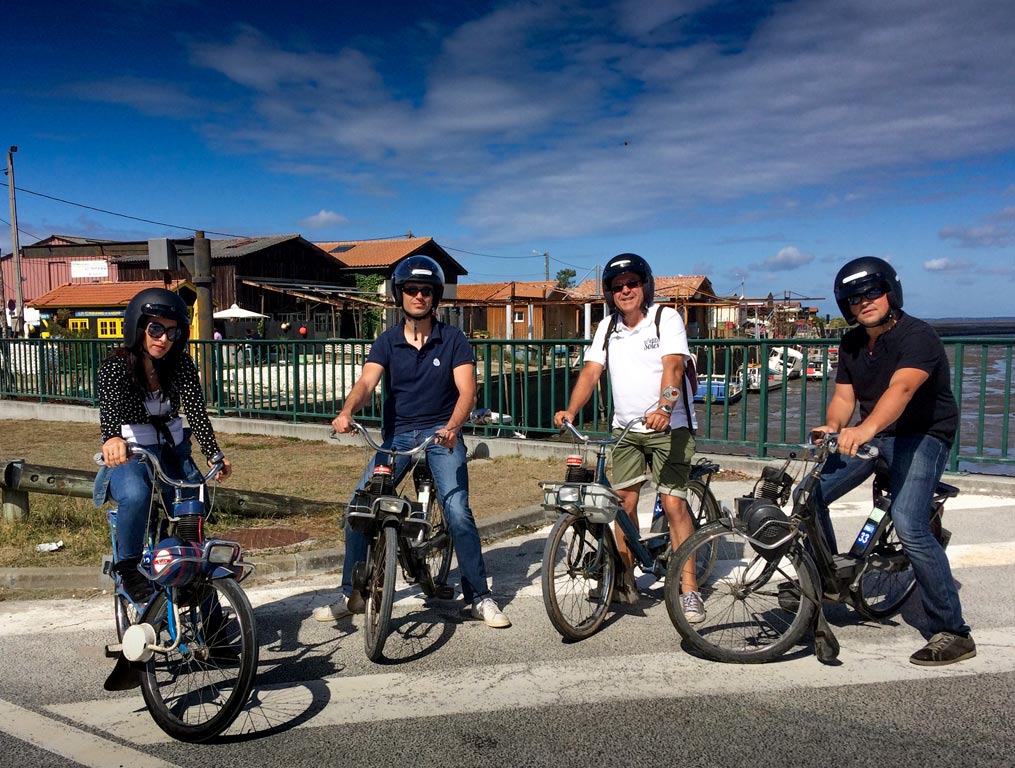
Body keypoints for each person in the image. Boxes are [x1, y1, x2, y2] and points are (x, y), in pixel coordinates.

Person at [313, 255, 510, 628]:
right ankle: (349, 594)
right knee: (359, 505)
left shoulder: (452, 339)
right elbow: (366, 383)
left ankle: (479, 597)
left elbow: (466, 391)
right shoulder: (386, 341)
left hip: (441, 432)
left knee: (457, 512)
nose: (419, 296)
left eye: (426, 290)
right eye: (411, 290)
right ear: (399, 295)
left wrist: (453, 427)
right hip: (398, 435)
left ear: (435, 297)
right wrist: (347, 411)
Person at [812, 256, 974, 666]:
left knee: (910, 524)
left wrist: (864, 431)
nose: (863, 302)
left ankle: (952, 631)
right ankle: (827, 578)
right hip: (877, 434)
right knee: (810, 492)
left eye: (871, 292)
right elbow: (844, 398)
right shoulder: (851, 344)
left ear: (890, 292)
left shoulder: (919, 336)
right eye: (853, 298)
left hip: (923, 435)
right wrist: (833, 426)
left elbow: (901, 390)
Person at [553, 253, 703, 621]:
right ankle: (624, 579)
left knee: (673, 505)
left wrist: (665, 409)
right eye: (618, 287)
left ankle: (690, 590)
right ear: (610, 293)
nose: (625, 291)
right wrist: (571, 410)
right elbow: (591, 372)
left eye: (632, 284)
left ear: (645, 285)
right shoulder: (607, 328)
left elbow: (673, 366)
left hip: (670, 426)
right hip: (625, 429)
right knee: (622, 505)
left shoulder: (664, 318)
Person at [94, 288, 232, 602]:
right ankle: (127, 567)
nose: (163, 338)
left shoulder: (181, 365)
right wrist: (112, 439)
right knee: (136, 493)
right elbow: (110, 413)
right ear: (138, 327)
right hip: (133, 450)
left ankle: (202, 604)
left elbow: (196, 412)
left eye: (172, 331)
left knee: (193, 504)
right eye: (156, 329)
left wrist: (213, 454)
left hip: (173, 446)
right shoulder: (114, 368)